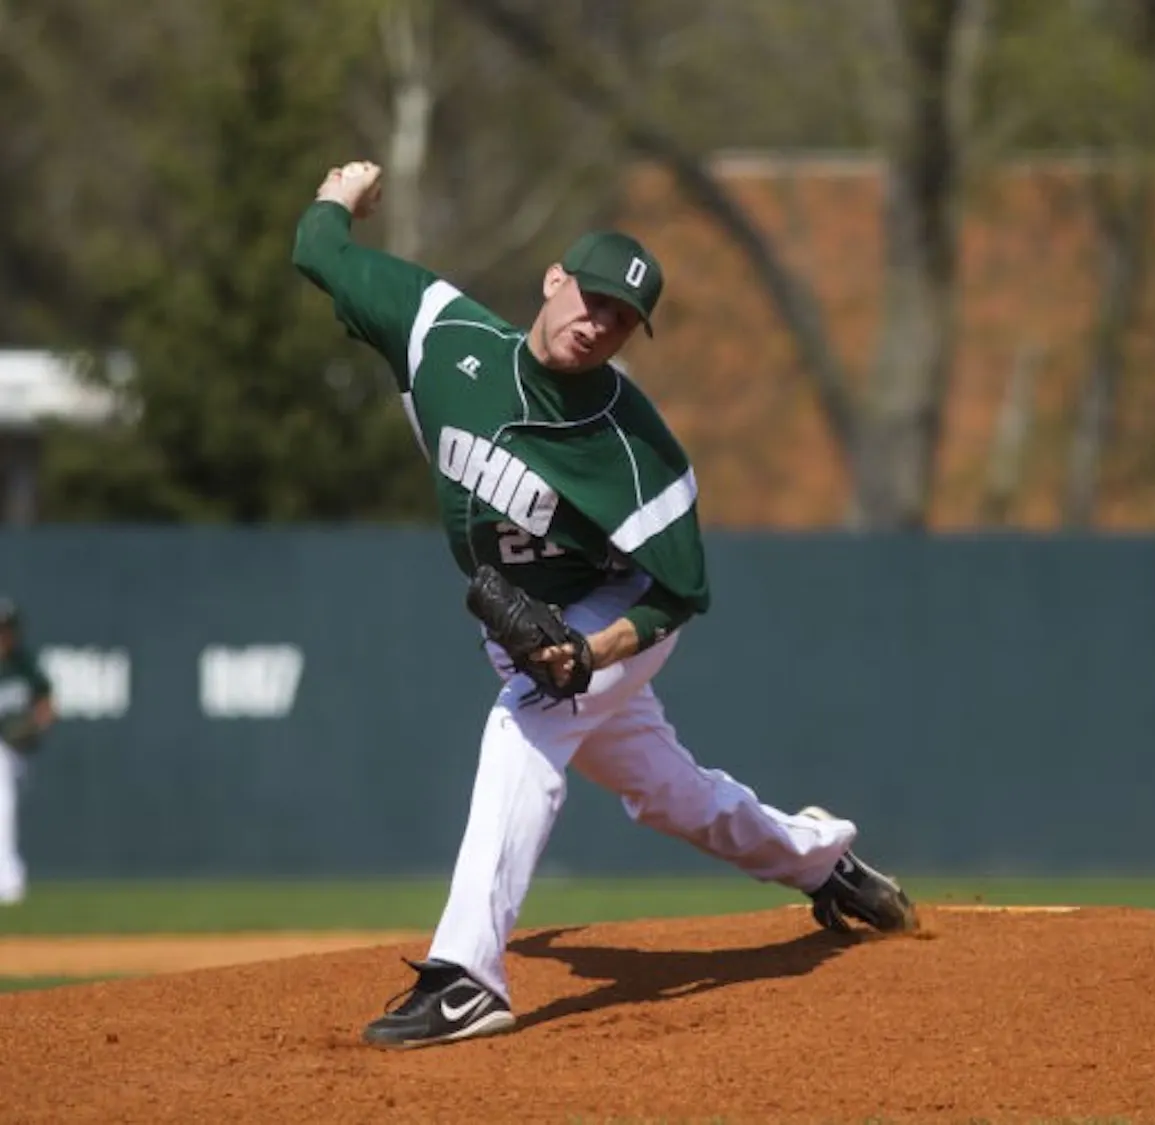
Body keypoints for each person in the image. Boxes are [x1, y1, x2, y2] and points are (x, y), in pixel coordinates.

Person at [293, 160, 917, 1050]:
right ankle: (824, 860)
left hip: (612, 611)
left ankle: (468, 975)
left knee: (526, 728)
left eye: (621, 320)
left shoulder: (637, 451)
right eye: (589, 299)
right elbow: (319, 251)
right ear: (553, 281)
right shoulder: (438, 332)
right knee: (669, 794)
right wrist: (340, 196)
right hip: (525, 629)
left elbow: (681, 592)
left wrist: (595, 655)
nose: (598, 324)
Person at [0, 597, 56, 906]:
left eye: (7, 627)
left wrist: (34, 725)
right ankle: (8, 880)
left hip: (21, 752)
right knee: (2, 805)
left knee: (6, 806)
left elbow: (46, 705)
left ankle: (8, 878)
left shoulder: (24, 665)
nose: (4, 634)